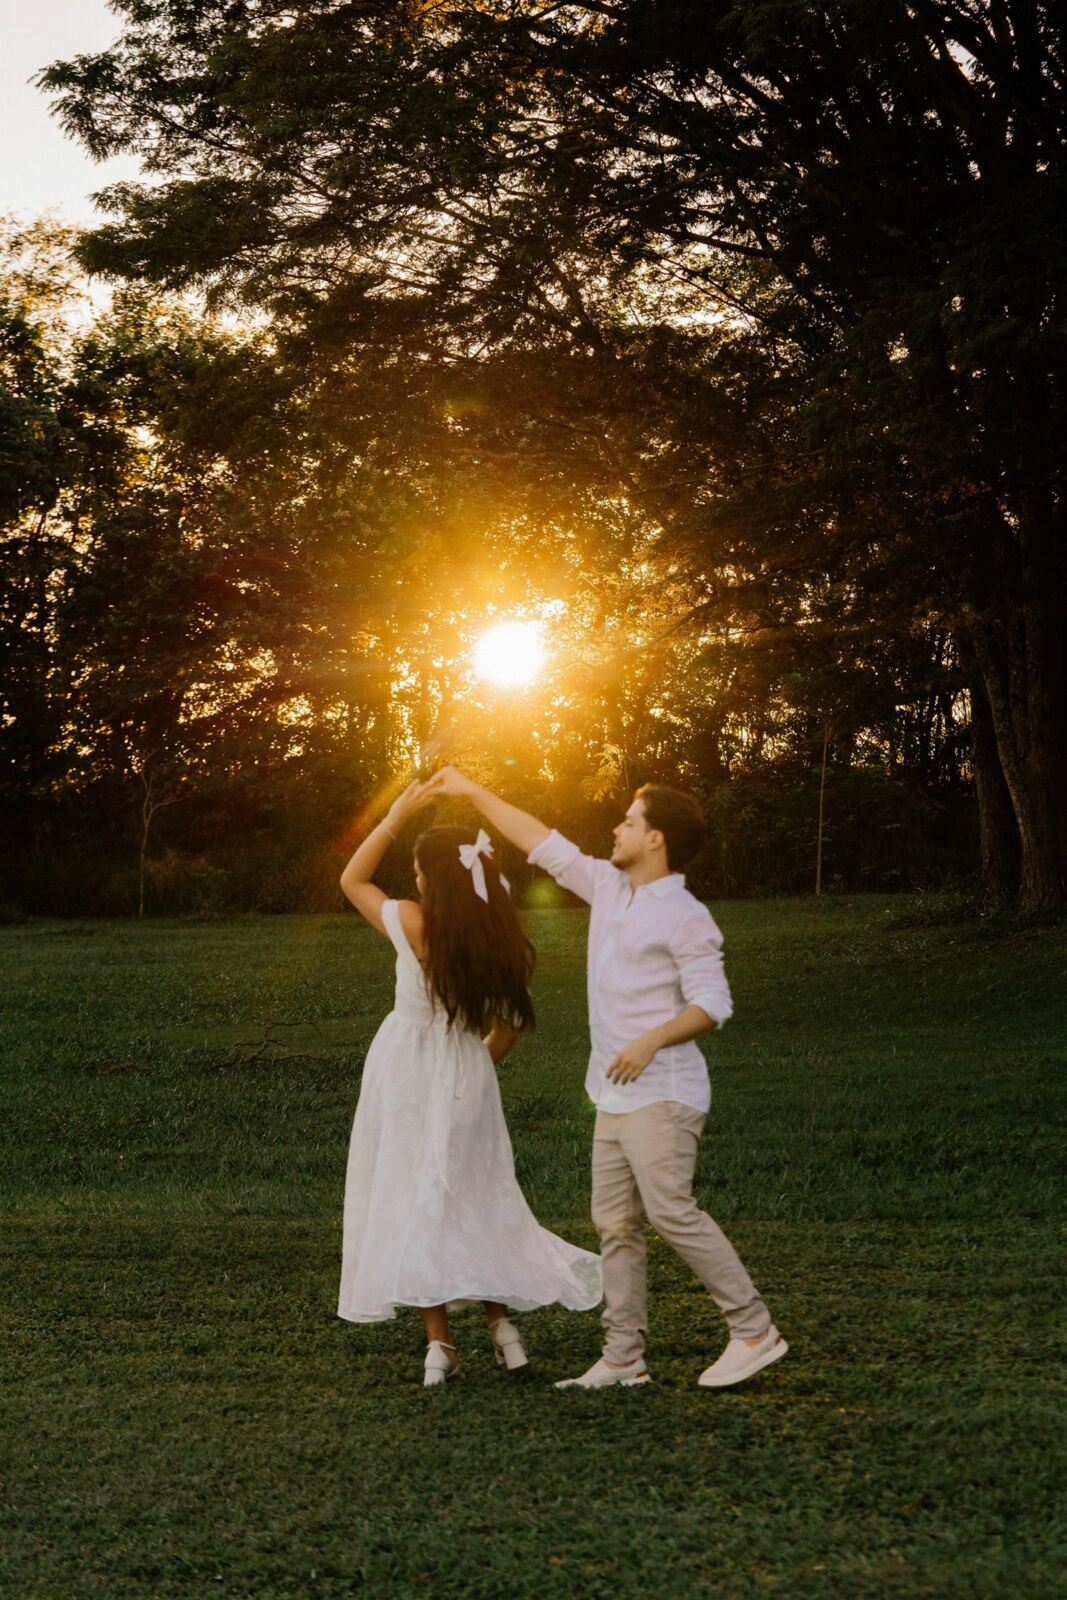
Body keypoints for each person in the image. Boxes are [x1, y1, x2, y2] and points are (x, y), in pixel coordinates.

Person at [427, 768, 787, 1390]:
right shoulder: (608, 887)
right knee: (614, 1224)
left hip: (665, 1093)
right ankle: (623, 1358)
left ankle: (753, 1331)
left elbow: (712, 1002)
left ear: (656, 839)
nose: (617, 828)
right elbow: (540, 838)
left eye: (629, 820)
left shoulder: (685, 915)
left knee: (671, 1210)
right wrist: (473, 791)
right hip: (613, 1093)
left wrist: (650, 1041)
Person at [337, 779, 602, 1387]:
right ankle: (502, 1329)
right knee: (474, 1198)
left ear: (432, 879)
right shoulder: (495, 941)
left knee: (416, 1200)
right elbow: (507, 1031)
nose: (417, 882)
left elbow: (351, 881)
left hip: (403, 1067)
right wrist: (470, 1071)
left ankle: (439, 1345)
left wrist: (395, 814)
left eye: (419, 872)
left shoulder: (409, 922)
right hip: (467, 1072)